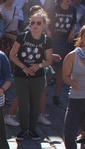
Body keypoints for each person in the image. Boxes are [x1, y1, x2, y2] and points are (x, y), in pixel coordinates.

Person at [9, 10, 53, 141]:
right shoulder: (22, 37)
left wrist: (38, 66)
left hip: (38, 76)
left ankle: (32, 130)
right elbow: (12, 55)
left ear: (44, 24)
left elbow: (49, 60)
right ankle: (23, 129)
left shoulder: (46, 40)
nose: (35, 25)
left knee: (35, 104)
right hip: (21, 76)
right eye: (33, 22)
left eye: (38, 23)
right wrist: (24, 67)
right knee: (23, 104)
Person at [51, 0, 77, 107]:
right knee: (49, 65)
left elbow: (73, 23)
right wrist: (48, 32)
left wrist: (72, 30)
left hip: (66, 40)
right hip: (54, 39)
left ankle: (56, 95)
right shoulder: (54, 8)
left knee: (62, 68)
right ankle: (43, 90)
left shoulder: (73, 9)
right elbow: (47, 21)